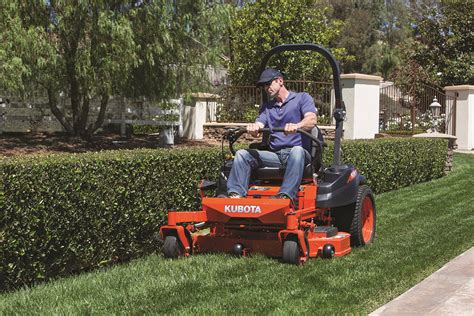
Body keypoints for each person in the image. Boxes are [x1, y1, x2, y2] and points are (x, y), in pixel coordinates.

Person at [226, 68, 318, 201]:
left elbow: (311, 120)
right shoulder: (267, 107)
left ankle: (285, 196)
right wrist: (254, 127)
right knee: (242, 154)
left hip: (299, 155)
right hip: (275, 155)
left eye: (269, 83)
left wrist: (297, 126)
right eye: (264, 85)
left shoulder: (302, 98)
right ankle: (236, 195)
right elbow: (260, 124)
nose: (267, 88)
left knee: (296, 151)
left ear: (280, 81)